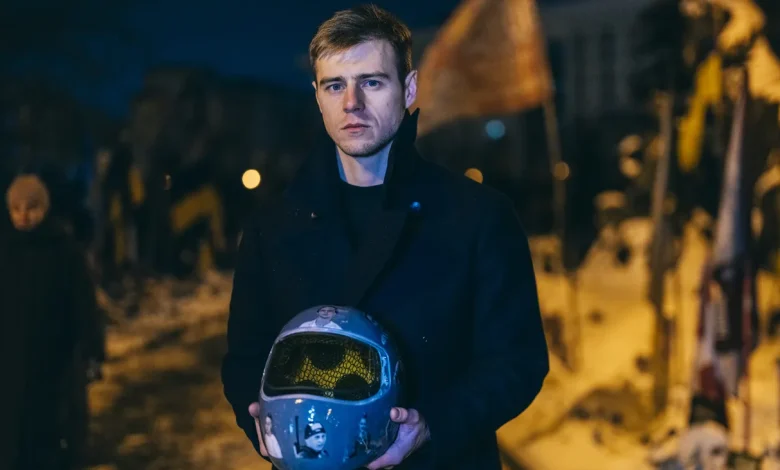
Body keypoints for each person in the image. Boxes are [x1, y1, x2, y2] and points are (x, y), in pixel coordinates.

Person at [221, 5, 549, 469]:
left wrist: (433, 425)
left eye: (371, 82)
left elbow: (518, 362)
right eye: (335, 85)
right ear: (317, 96)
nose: (351, 103)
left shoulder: (479, 217)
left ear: (409, 89)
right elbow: (244, 358)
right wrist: (257, 417)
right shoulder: (270, 227)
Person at [0, 174, 105, 470]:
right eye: (16, 209)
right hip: (9, 364)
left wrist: (92, 350)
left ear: (44, 209)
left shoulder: (64, 251)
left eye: (31, 207)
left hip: (53, 363)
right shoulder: (5, 250)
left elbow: (83, 305)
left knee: (49, 435)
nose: (23, 216)